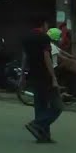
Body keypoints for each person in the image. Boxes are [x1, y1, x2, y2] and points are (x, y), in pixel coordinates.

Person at [23, 15, 60, 143]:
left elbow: (25, 58)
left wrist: (22, 76)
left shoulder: (26, 38)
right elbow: (47, 58)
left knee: (40, 106)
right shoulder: (44, 37)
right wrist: (54, 77)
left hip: (33, 76)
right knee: (57, 106)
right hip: (45, 76)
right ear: (44, 24)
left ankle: (43, 136)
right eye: (47, 25)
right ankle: (36, 124)